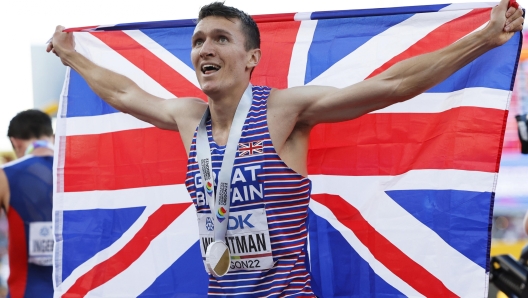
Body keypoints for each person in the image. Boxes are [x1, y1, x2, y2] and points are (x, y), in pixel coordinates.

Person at [47, 0, 524, 296]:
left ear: (252, 57)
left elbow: (391, 86)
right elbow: (125, 94)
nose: (203, 48)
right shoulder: (186, 117)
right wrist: (70, 55)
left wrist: (484, 38)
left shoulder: (284, 111)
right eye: (197, 41)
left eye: (219, 38)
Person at [0, 110, 54, 298]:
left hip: (26, 291)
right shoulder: (81, 172)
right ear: (52, 137)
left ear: (15, 142)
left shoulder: (5, 175)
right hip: (78, 290)